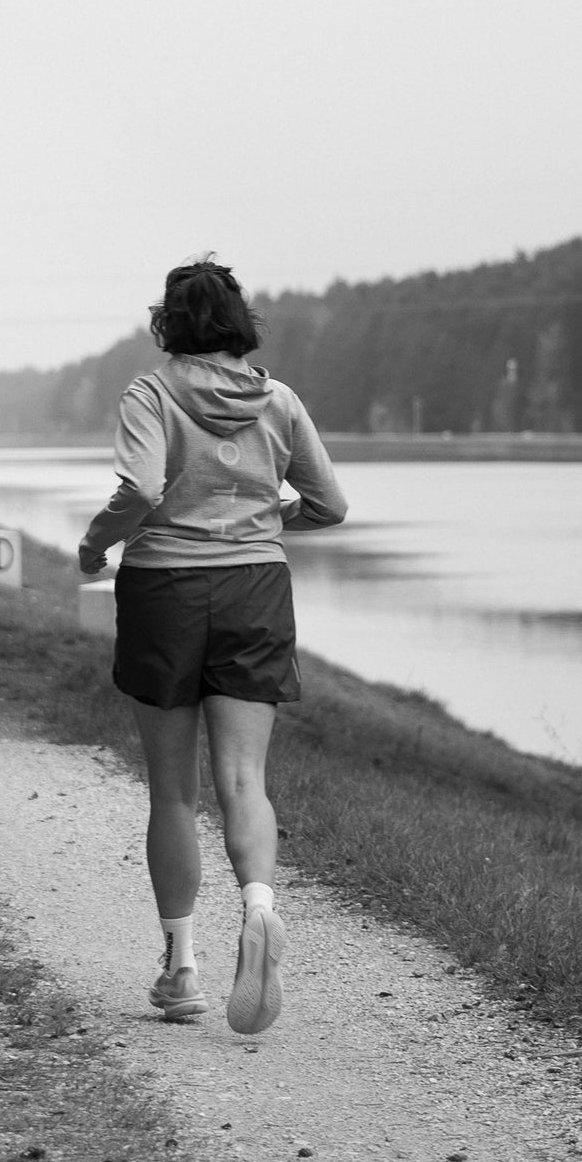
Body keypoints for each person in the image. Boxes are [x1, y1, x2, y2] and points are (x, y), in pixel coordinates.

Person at [77, 259, 346, 1037]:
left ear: (169, 324)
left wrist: (94, 550)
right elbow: (329, 504)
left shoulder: (150, 392)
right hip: (255, 589)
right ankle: (259, 906)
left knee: (173, 792)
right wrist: (266, 516)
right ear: (239, 321)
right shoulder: (279, 399)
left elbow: (138, 493)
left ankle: (181, 968)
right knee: (242, 777)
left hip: (165, 590)